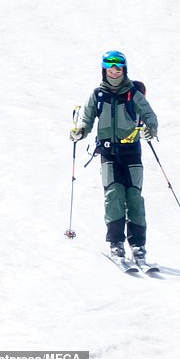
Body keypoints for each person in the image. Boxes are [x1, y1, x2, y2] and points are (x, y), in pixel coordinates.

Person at [70, 51, 159, 259]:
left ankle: (138, 245)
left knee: (134, 197)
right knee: (114, 195)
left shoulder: (132, 94)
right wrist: (80, 131)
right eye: (110, 68)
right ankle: (116, 242)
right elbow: (87, 119)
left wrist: (151, 129)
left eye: (118, 68)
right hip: (108, 152)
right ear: (104, 70)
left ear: (124, 70)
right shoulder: (98, 95)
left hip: (131, 152)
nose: (114, 72)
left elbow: (149, 116)